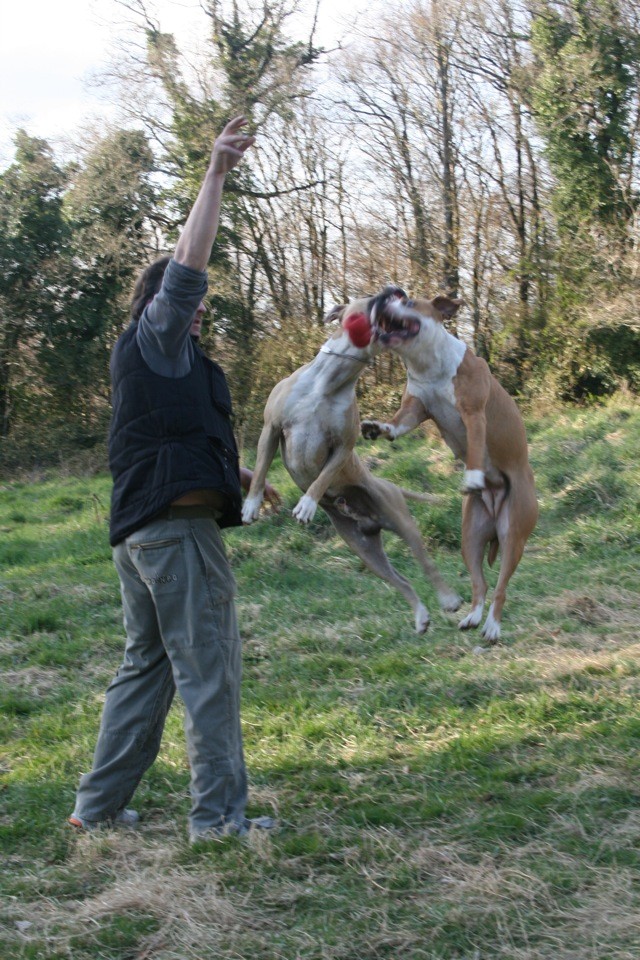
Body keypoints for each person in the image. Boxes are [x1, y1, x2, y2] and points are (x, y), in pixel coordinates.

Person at [69, 116, 279, 843]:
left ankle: (97, 808)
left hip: (140, 537)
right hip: (177, 541)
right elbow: (188, 266)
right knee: (209, 675)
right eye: (191, 306)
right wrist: (216, 174)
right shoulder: (156, 336)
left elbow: (170, 439)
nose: (198, 316)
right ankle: (220, 821)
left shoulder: (159, 365)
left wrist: (243, 472)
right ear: (166, 306)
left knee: (146, 671)